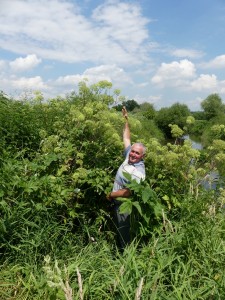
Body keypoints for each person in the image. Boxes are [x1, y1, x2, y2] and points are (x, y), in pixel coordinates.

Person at [107, 106, 146, 249]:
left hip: (124, 205)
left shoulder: (139, 171)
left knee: (124, 232)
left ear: (142, 156)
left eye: (137, 153)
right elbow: (126, 137)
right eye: (132, 151)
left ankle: (126, 258)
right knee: (119, 229)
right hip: (116, 202)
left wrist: (111, 194)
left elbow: (129, 192)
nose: (133, 154)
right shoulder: (129, 157)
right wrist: (126, 119)